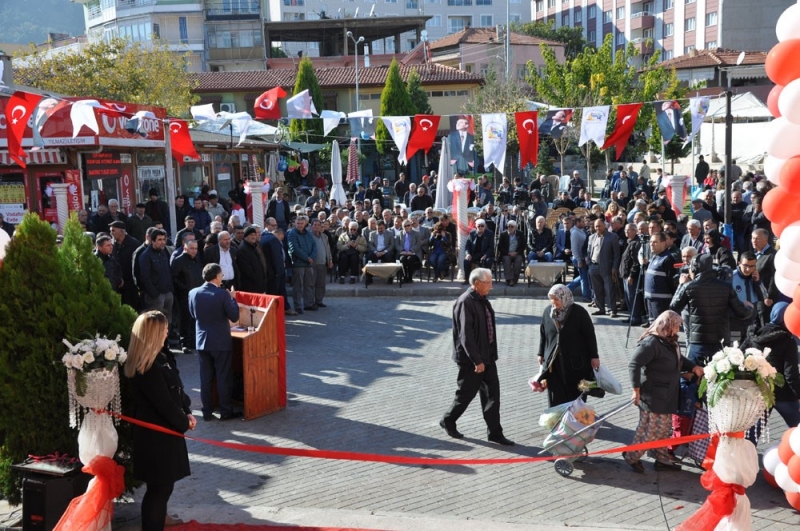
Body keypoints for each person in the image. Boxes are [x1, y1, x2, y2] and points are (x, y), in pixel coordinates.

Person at [125, 311, 194, 530]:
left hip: (166, 434)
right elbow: (163, 403)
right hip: (156, 438)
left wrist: (187, 410)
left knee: (163, 488)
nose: (167, 332)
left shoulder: (160, 358)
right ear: (153, 333)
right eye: (163, 329)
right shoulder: (147, 367)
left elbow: (177, 388)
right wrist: (184, 422)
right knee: (159, 490)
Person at [440, 268, 513, 445]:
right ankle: (448, 420)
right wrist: (477, 361)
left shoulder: (482, 300)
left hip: (487, 357)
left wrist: (489, 356)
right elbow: (466, 336)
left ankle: (495, 432)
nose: (492, 286)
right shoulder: (465, 302)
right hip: (471, 360)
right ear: (477, 283)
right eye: (488, 282)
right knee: (465, 394)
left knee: (492, 395)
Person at [624, 310, 703, 473]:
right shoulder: (652, 343)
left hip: (666, 394)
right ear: (668, 325)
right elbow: (634, 364)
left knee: (662, 429)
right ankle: (632, 456)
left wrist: (693, 367)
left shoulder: (669, 341)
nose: (679, 329)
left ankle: (662, 459)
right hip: (654, 395)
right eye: (677, 326)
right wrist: (635, 390)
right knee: (654, 430)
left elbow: (679, 360)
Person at [670, 254, 752, 365]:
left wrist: (681, 285)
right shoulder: (726, 287)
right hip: (721, 341)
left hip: (698, 341)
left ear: (695, 268)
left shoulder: (689, 286)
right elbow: (742, 313)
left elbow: (674, 307)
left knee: (695, 376)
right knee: (719, 377)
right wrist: (749, 307)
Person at [189, 263, 241, 421]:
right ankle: (225, 411)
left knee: (206, 378)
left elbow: (193, 315)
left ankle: (207, 412)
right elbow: (234, 316)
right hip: (220, 342)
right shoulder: (222, 294)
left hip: (201, 341)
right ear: (217, 276)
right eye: (221, 276)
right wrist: (233, 299)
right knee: (223, 376)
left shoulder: (193, 293)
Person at [535, 284, 600, 407]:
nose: (553, 302)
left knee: (577, 393)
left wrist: (594, 356)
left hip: (576, 363)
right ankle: (558, 420)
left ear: (564, 298)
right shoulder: (548, 312)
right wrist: (541, 353)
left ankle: (576, 419)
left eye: (556, 299)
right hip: (553, 362)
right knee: (556, 394)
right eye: (551, 298)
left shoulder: (579, 313)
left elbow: (590, 336)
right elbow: (543, 333)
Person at [741, 303, 800, 428]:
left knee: (751, 436)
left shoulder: (755, 335)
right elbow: (790, 374)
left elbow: (739, 356)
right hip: (784, 394)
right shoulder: (788, 341)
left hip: (760, 392)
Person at [171, 238, 203, 353]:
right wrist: (185, 289)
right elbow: (174, 278)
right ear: (185, 248)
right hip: (184, 295)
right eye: (192, 248)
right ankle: (185, 343)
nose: (194, 251)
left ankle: (194, 341)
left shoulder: (197, 260)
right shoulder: (178, 261)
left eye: (196, 248)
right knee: (185, 319)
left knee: (195, 319)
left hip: (197, 295)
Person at [587, 218, 621, 317]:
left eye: (599, 226)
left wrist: (615, 267)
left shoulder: (612, 237)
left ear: (604, 226)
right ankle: (600, 308)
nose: (597, 228)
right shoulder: (591, 237)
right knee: (597, 290)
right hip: (593, 266)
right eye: (596, 226)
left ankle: (612, 310)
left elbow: (616, 254)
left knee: (609, 289)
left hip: (607, 267)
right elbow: (589, 251)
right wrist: (589, 263)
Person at [287, 215, 317, 312]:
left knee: (309, 285)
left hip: (309, 264)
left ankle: (308, 304)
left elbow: (314, 245)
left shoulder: (308, 233)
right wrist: (307, 258)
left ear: (305, 224)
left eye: (302, 223)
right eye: (298, 223)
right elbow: (294, 248)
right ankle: (298, 306)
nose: (300, 225)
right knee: (298, 286)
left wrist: (312, 257)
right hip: (298, 263)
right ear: (295, 223)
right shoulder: (292, 234)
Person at [235, 226, 268, 294]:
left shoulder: (254, 246)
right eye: (251, 235)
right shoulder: (243, 249)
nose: (253, 237)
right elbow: (246, 270)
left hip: (259, 285)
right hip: (250, 286)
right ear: (246, 236)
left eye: (254, 235)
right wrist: (257, 279)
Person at [462, 219, 494, 283]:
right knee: (466, 261)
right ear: (476, 226)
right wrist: (468, 254)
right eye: (479, 226)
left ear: (485, 226)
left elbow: (491, 247)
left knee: (488, 261)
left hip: (485, 254)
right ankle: (467, 279)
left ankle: (486, 279)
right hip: (475, 253)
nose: (480, 227)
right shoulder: (472, 233)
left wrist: (485, 255)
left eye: (482, 226)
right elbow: (467, 245)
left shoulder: (489, 234)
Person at [498, 220, 526, 286]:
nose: (510, 228)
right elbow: (500, 247)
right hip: (506, 253)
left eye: (512, 227)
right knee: (507, 260)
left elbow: (523, 245)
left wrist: (516, 252)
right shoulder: (503, 234)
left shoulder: (520, 234)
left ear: (516, 227)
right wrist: (508, 253)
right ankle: (509, 279)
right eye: (508, 226)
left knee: (519, 260)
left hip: (517, 253)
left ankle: (514, 279)